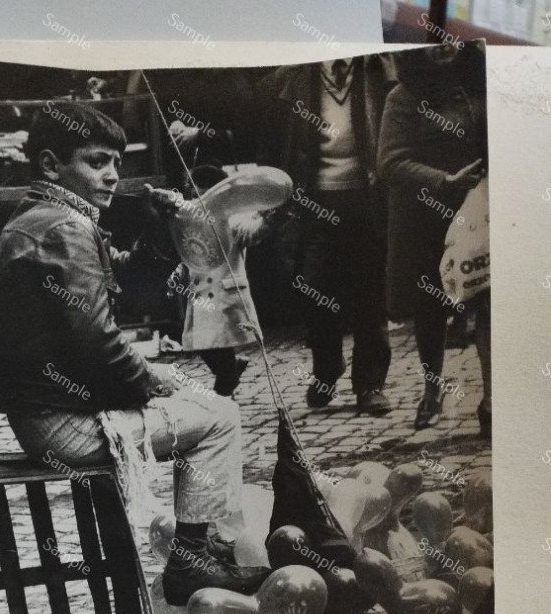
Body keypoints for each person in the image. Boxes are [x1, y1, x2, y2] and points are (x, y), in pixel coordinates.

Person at [0, 103, 265, 607]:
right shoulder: (63, 228)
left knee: (197, 398)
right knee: (219, 416)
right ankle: (192, 563)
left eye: (117, 161)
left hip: (44, 413)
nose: (113, 175)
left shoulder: (44, 217)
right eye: (96, 161)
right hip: (61, 423)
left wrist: (158, 228)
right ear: (51, 165)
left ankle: (203, 553)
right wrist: (155, 383)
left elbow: (130, 286)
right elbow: (99, 348)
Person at [255, 55, 396, 415]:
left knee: (370, 293)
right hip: (313, 200)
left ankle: (370, 385)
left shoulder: (380, 69)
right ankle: (327, 367)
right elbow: (271, 141)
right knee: (313, 288)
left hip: (367, 198)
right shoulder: (294, 76)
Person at [377, 42, 490, 434]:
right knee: (431, 307)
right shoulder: (404, 95)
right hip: (426, 218)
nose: (444, 47)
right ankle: (432, 389)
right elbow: (390, 161)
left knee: (488, 301)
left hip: (482, 213)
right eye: (433, 42)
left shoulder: (481, 83)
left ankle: (491, 399)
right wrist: (444, 181)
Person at [167, 163, 272, 397]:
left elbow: (252, 232)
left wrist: (263, 219)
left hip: (225, 294)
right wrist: (179, 271)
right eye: (193, 193)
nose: (198, 199)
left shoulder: (232, 218)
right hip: (201, 297)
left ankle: (223, 391)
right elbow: (190, 253)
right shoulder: (189, 220)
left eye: (204, 193)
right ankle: (230, 370)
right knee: (201, 344)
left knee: (217, 342)